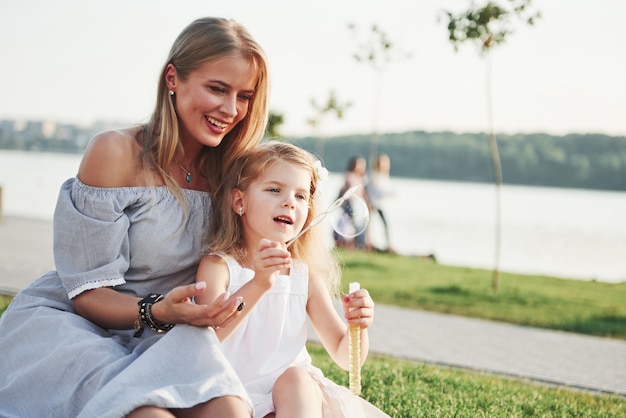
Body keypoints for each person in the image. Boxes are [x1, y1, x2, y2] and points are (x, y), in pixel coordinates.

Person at [0, 17, 271, 418]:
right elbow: (87, 293)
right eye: (217, 88)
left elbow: (286, 230)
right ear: (173, 78)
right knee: (148, 415)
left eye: (245, 96)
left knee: (229, 411)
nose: (231, 110)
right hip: (79, 327)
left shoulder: (236, 172)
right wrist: (159, 309)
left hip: (171, 333)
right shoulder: (115, 152)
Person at [195, 141, 390, 417]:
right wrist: (259, 283)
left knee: (296, 378)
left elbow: (344, 355)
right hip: (230, 390)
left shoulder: (302, 275)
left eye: (300, 196)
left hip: (293, 400)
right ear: (240, 201)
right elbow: (210, 338)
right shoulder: (219, 267)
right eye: (274, 190)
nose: (289, 201)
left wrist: (359, 326)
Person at [334, 155, 369, 249]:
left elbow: (363, 193)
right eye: (358, 164)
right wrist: (337, 202)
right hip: (350, 205)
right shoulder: (348, 176)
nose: (360, 167)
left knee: (359, 226)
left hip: (359, 206)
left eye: (362, 165)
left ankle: (359, 245)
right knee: (350, 225)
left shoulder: (362, 178)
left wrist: (367, 204)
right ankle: (350, 244)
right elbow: (344, 191)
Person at [366, 154, 394, 253]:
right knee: (369, 224)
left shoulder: (384, 176)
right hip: (373, 203)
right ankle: (368, 242)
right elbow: (374, 190)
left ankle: (387, 243)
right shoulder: (373, 175)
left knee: (384, 223)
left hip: (380, 204)